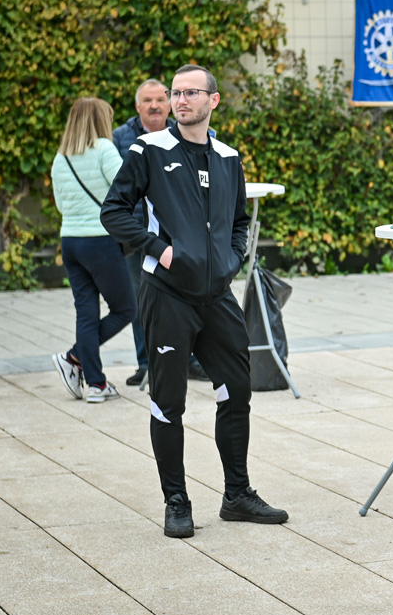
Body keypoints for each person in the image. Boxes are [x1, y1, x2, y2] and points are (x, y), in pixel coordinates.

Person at [101, 64, 288, 539]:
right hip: (167, 295)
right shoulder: (149, 149)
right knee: (169, 402)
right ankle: (176, 501)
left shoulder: (229, 157)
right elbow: (114, 211)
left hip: (217, 293)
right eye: (175, 93)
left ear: (213, 100)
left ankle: (237, 495)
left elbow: (240, 221)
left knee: (236, 392)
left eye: (190, 93)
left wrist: (230, 260)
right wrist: (160, 250)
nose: (180, 100)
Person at [50, 97, 137, 404]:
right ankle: (75, 358)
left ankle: (96, 384)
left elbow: (61, 205)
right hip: (100, 241)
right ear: (101, 119)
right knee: (127, 308)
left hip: (70, 241)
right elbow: (125, 187)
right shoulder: (104, 149)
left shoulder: (61, 158)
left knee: (86, 312)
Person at [112, 79, 175, 387]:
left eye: (160, 100)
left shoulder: (183, 133)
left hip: (177, 234)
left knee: (183, 298)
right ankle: (145, 362)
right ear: (137, 107)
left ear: (170, 104)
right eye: (147, 101)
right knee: (141, 302)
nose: (154, 106)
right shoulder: (120, 138)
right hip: (136, 236)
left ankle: (186, 360)